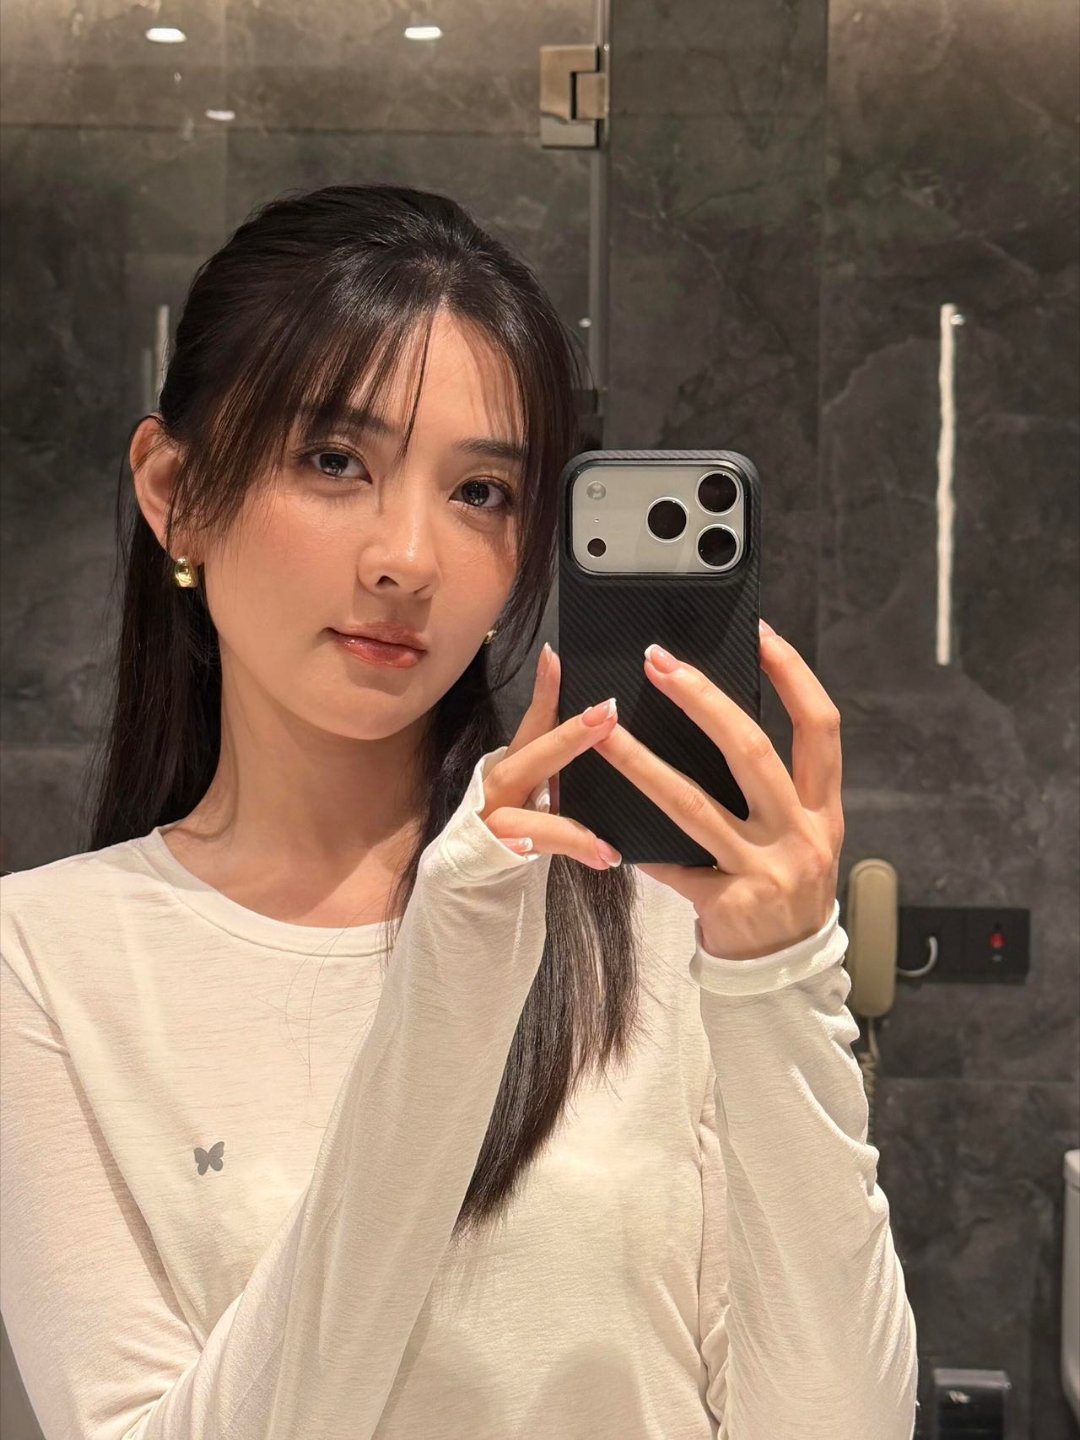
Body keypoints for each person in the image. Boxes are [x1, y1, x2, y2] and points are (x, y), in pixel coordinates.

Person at [0, 184, 917, 1439]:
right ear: (176, 490)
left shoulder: (653, 918)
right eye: (335, 462)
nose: (408, 559)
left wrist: (777, 979)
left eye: (481, 492)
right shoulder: (44, 958)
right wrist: (450, 986)